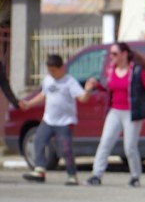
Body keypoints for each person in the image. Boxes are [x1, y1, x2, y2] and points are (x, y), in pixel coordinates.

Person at [86, 42, 145, 187]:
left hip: (131, 112)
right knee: (105, 142)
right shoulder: (111, 70)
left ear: (124, 54)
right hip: (115, 111)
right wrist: (96, 85)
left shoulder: (136, 70)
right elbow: (107, 88)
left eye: (115, 54)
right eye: (110, 54)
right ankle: (96, 175)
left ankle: (135, 176)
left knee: (129, 146)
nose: (112, 57)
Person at [20, 54, 94, 185]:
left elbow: (82, 98)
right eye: (49, 71)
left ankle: (72, 175)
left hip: (65, 122)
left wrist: (87, 90)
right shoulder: (48, 80)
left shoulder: (69, 81)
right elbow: (43, 95)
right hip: (48, 119)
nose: (51, 74)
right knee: (39, 141)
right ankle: (40, 171)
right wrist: (29, 103)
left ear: (62, 68)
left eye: (54, 71)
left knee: (65, 148)